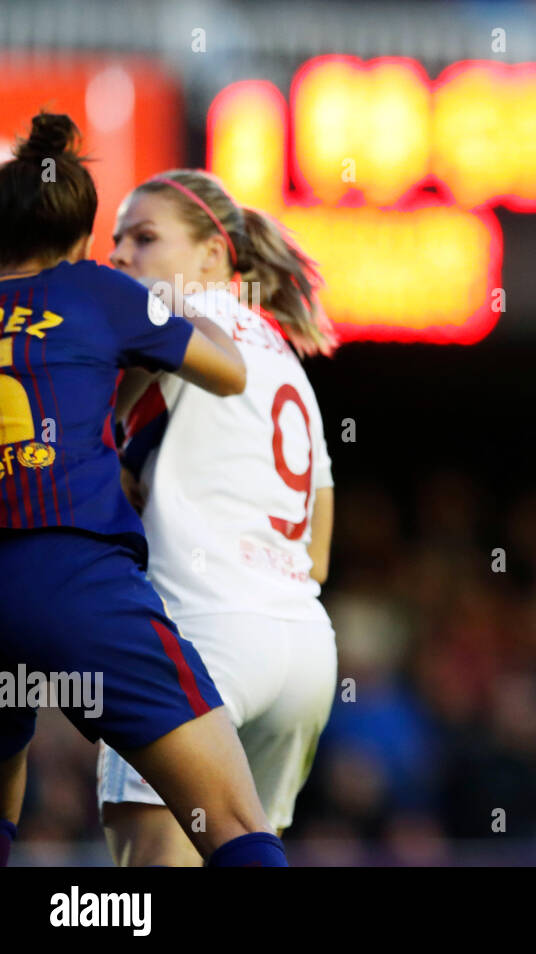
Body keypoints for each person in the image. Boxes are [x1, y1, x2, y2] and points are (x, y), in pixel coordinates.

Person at [0, 112, 287, 867]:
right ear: (83, 237)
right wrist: (168, 306)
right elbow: (227, 370)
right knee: (231, 821)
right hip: (75, 580)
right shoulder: (97, 291)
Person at [98, 168, 338, 866]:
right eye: (117, 242)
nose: (120, 256)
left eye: (144, 238)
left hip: (200, 637)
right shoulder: (286, 361)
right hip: (302, 647)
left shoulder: (171, 322)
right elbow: (319, 555)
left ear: (213, 255)